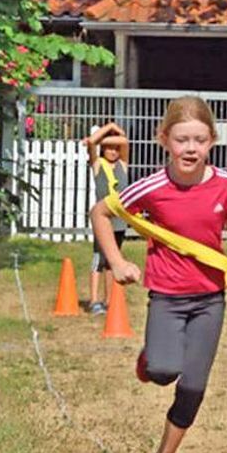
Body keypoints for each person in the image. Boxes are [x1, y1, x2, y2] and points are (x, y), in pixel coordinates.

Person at [90, 96, 227, 453]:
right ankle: (151, 359)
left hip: (210, 298)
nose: (191, 149)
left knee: (193, 385)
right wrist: (117, 263)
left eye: (200, 140)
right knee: (162, 370)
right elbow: (100, 214)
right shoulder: (153, 187)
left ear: (212, 141)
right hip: (168, 298)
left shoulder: (225, 184)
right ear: (164, 140)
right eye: (182, 140)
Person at [83, 122, 129, 314]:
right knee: (99, 260)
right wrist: (109, 127)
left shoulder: (122, 165)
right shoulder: (97, 164)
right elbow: (92, 142)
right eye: (108, 148)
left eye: (116, 148)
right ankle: (94, 301)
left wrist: (114, 131)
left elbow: (125, 141)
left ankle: (109, 300)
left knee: (113, 261)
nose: (113, 151)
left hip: (119, 221)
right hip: (103, 221)